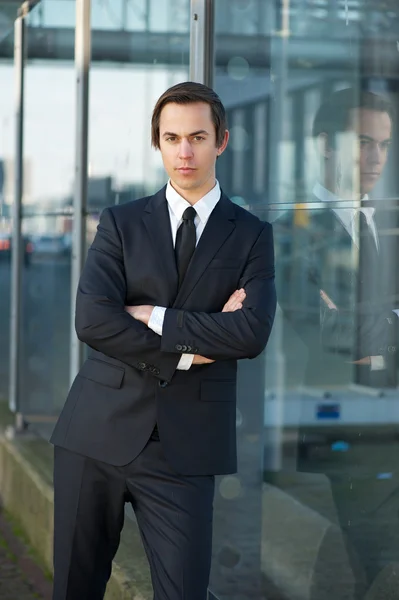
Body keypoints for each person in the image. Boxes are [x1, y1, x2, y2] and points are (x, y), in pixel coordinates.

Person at [50, 81, 276, 600]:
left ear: (221, 140)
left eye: (197, 137)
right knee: (73, 590)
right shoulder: (120, 223)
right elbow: (93, 321)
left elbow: (251, 331)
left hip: (188, 449)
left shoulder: (252, 235)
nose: (184, 151)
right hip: (94, 436)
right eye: (171, 137)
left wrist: (155, 316)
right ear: (158, 142)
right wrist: (192, 349)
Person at [275, 88, 399, 595]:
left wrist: (373, 325)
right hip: (350, 440)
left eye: (385, 145)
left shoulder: (390, 226)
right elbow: (327, 334)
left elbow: (352, 327)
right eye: (363, 142)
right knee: (378, 568)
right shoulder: (290, 234)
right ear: (325, 144)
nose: (376, 159)